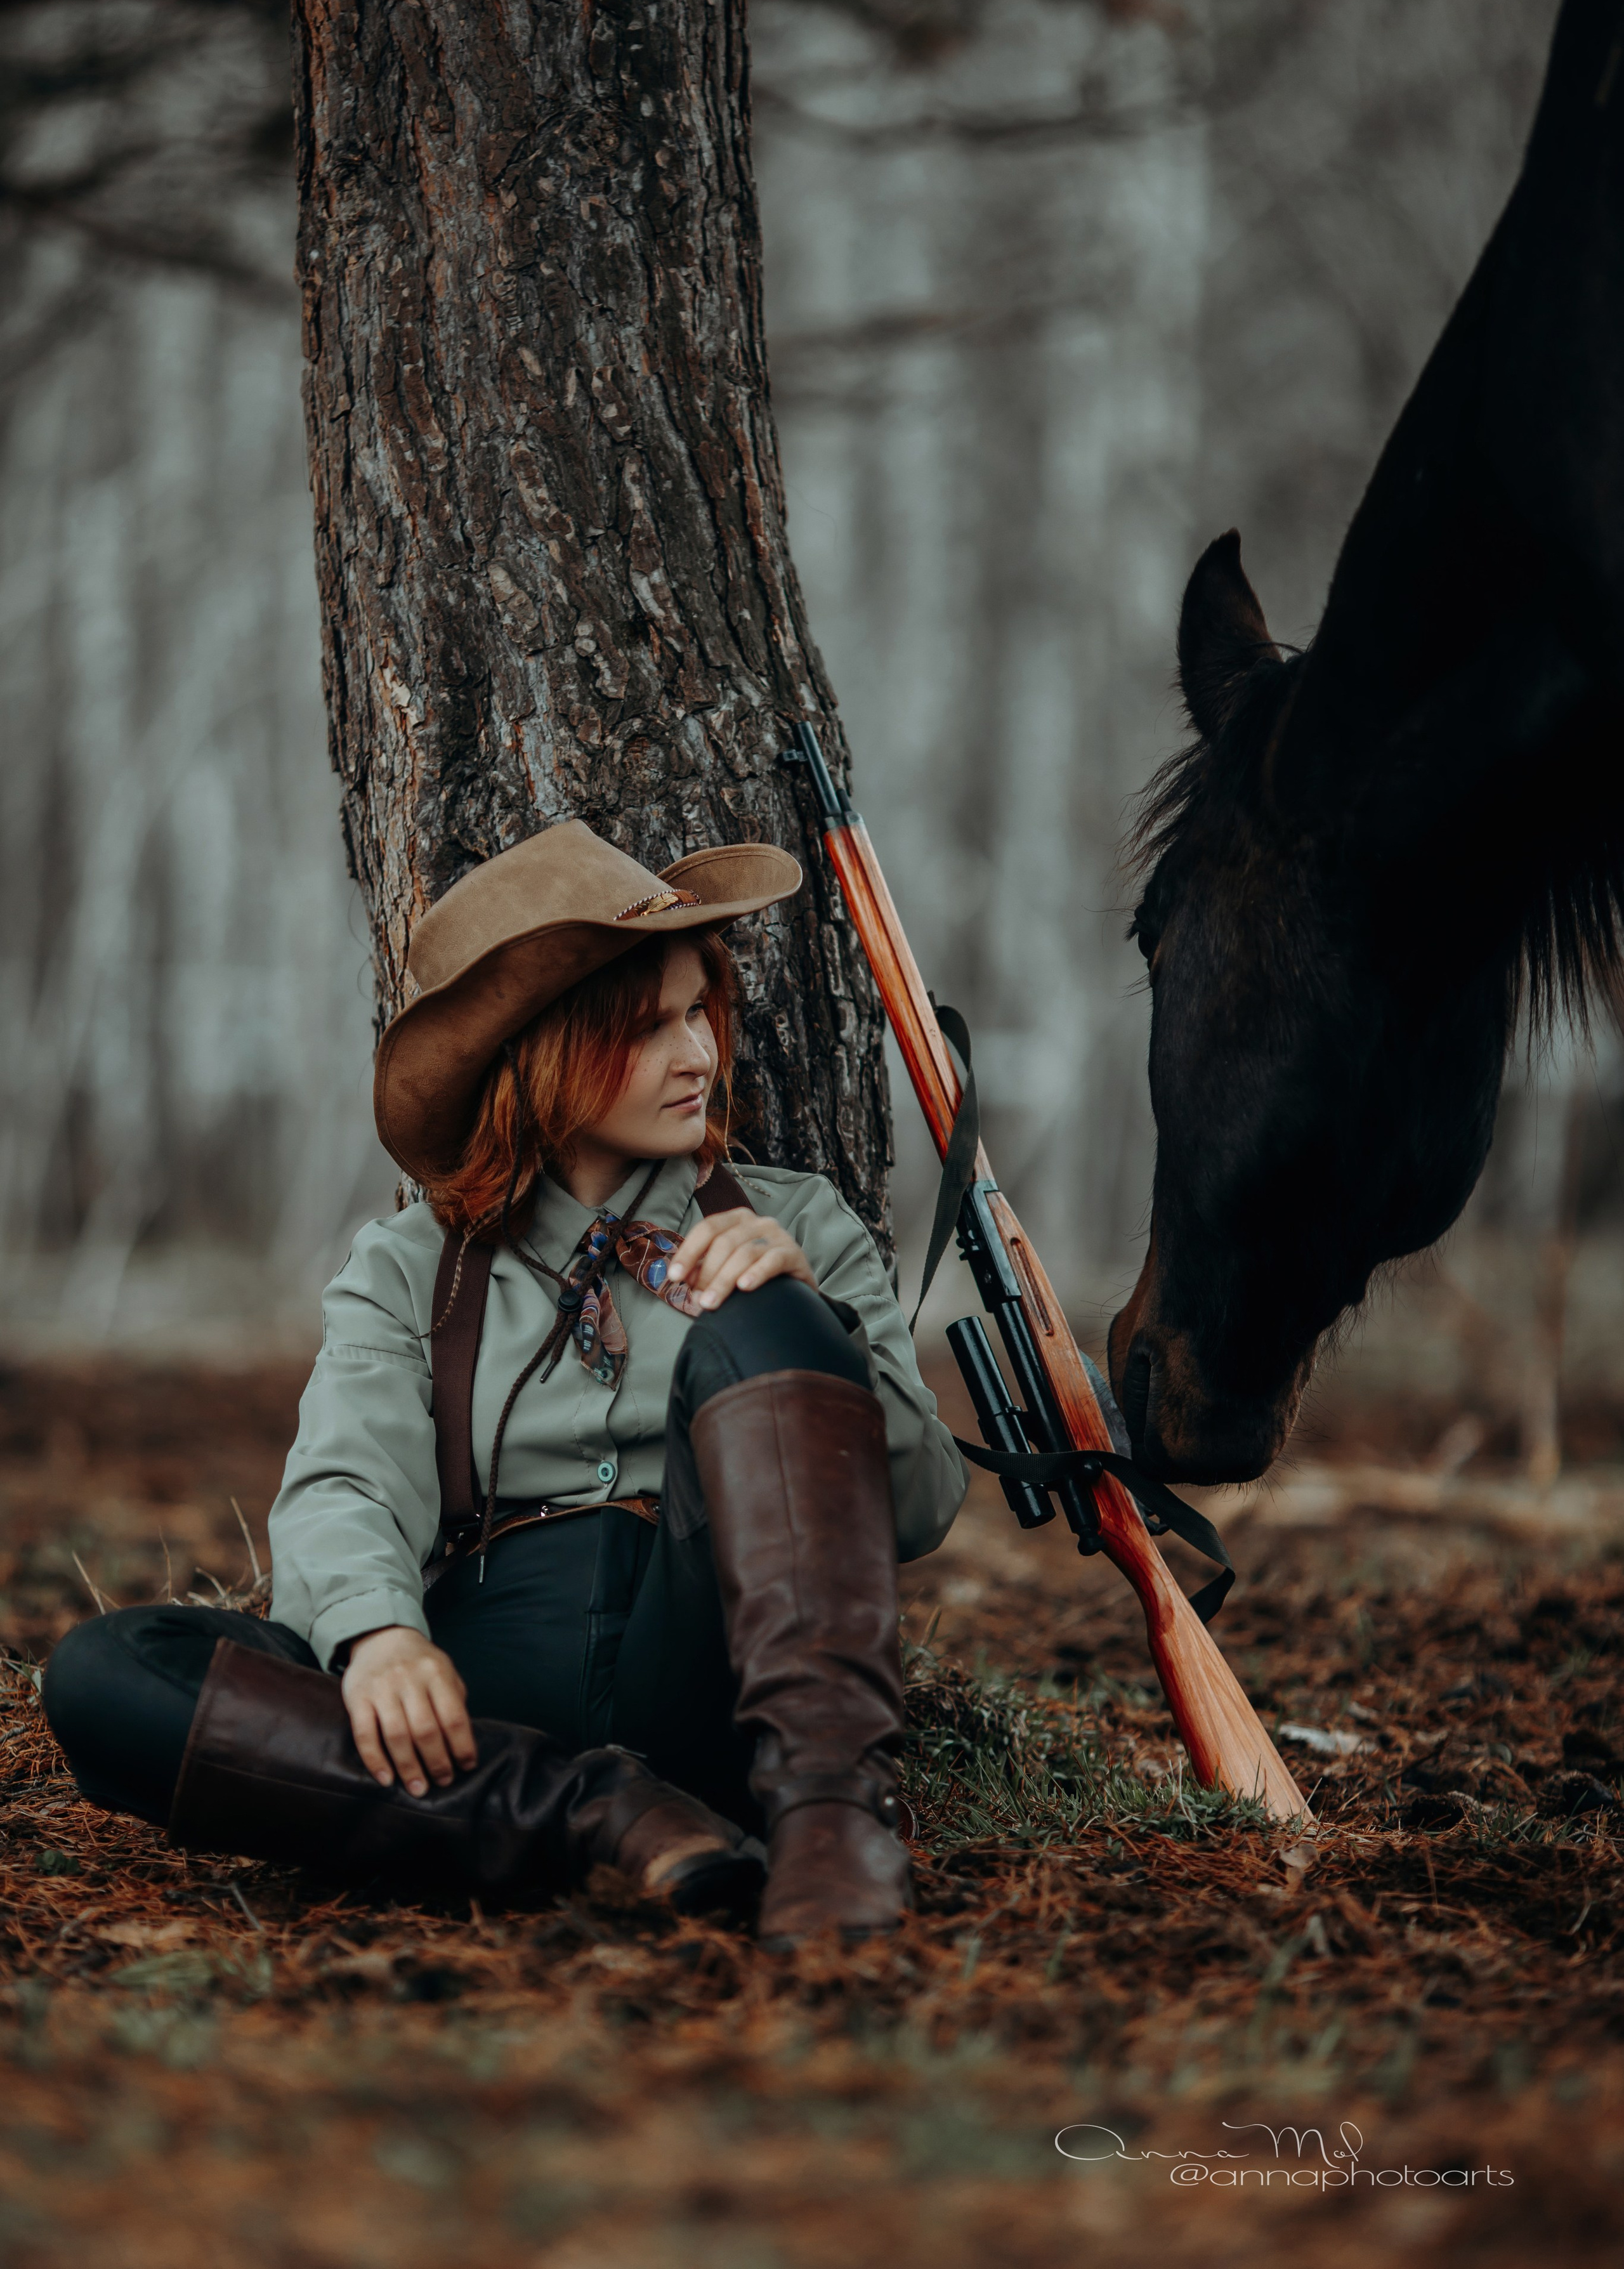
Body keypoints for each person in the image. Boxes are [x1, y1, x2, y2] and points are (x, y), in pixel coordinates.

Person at [44, 819, 969, 1944]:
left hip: (719, 1675)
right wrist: (380, 1637)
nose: (700, 1057)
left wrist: (804, 1314)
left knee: (768, 1309)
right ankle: (593, 1816)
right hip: (471, 1704)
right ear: (542, 1051)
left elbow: (917, 1511)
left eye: (696, 1012)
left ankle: (831, 1827)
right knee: (107, 1676)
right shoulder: (409, 1267)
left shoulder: (799, 1219)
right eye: (649, 1027)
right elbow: (348, 1484)